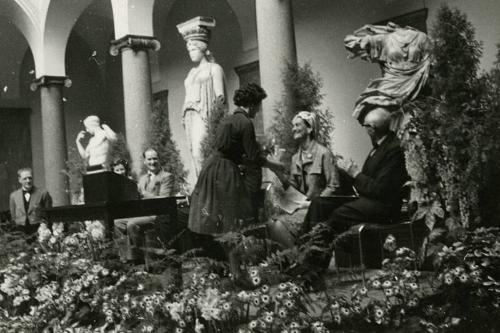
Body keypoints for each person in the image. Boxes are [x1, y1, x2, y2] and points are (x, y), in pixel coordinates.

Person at [188, 83, 284, 278]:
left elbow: (230, 150)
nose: (257, 110)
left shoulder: (227, 120)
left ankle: (230, 270)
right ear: (251, 104)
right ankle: (238, 273)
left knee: (215, 219)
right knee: (231, 221)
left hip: (210, 170)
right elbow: (253, 158)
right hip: (225, 175)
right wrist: (276, 166)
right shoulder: (246, 123)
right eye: (257, 106)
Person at [268, 111, 340, 247]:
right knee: (271, 223)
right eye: (293, 125)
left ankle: (299, 261)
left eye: (297, 125)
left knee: (278, 226)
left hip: (319, 211)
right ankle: (296, 260)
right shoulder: (296, 157)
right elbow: (293, 189)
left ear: (310, 128)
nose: (293, 129)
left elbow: (333, 186)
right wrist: (277, 172)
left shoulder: (324, 153)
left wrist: (315, 204)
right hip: (301, 209)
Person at [114, 148, 174, 262]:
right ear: (145, 161)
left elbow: (164, 199)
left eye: (155, 158)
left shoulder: (167, 176)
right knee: (117, 223)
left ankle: (139, 259)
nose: (152, 162)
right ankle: (124, 259)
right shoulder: (142, 179)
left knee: (132, 224)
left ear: (159, 160)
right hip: (142, 214)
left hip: (158, 214)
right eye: (149, 159)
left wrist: (144, 194)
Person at [182, 35, 226, 177]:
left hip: (204, 114)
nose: (191, 53)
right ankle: (201, 185)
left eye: (194, 49)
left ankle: (208, 185)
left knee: (200, 151)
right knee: (193, 152)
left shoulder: (214, 68)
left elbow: (220, 97)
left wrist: (216, 120)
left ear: (203, 49)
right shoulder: (191, 72)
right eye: (189, 50)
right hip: (189, 115)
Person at [9, 167, 52, 234]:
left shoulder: (43, 193)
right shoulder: (13, 196)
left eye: (30, 178)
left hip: (38, 230)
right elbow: (13, 216)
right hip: (20, 231)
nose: (28, 181)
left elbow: (49, 215)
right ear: (19, 180)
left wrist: (44, 230)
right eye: (25, 179)